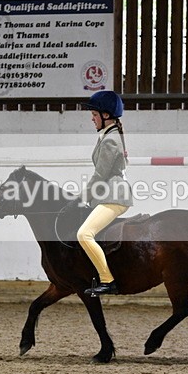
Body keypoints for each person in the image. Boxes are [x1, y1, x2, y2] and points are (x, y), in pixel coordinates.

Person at [78, 90, 133, 296]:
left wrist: (81, 198)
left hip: (114, 195)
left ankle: (108, 280)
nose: (92, 120)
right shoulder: (109, 136)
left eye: (94, 115)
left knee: (84, 234)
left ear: (106, 115)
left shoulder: (110, 140)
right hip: (108, 194)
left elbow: (100, 175)